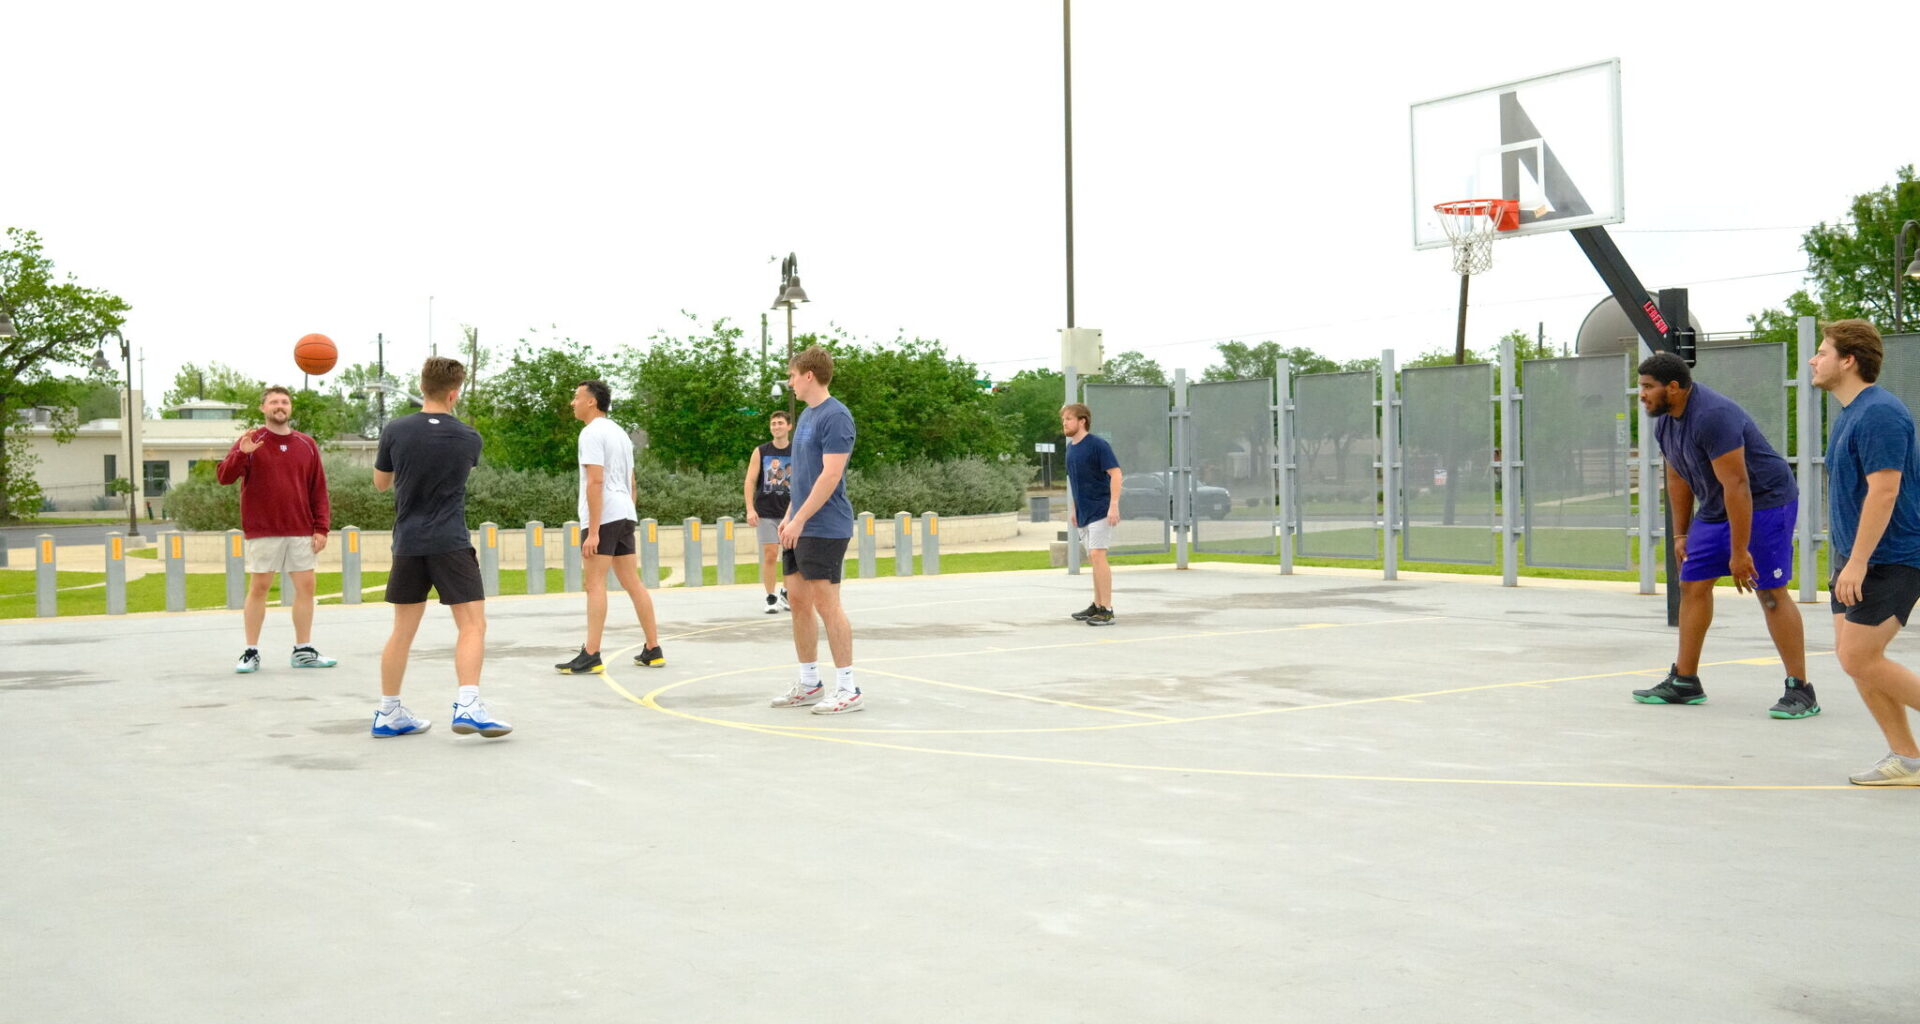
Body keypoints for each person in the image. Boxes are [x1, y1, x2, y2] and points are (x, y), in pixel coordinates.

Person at [1630, 351, 1815, 718]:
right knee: (1692, 584)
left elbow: (1739, 484)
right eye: (1641, 387)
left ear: (1674, 387)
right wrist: (1680, 534)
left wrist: (1740, 550)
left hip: (1764, 502)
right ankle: (1685, 681)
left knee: (1770, 592)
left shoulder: (1713, 416)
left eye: (1648, 387)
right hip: (1717, 508)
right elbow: (1677, 477)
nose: (1642, 394)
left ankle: (1801, 689)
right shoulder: (1665, 422)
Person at [368, 356, 510, 739]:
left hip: (408, 542)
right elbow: (461, 473)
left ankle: (388, 712)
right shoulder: (468, 437)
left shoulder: (395, 430)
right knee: (472, 624)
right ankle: (468, 705)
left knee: (402, 631)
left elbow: (381, 484)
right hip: (449, 540)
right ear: (454, 393)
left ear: (421, 386)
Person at [1808, 319, 1920, 784]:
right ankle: (1908, 758)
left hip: (1891, 557)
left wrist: (1857, 561)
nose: (1814, 361)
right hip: (1853, 559)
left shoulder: (1879, 413)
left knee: (1859, 657)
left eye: (1822, 352)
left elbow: (1885, 491)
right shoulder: (1850, 412)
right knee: (1854, 659)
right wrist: (1847, 560)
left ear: (1848, 360)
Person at [215, 385, 337, 673]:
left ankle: (303, 650)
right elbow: (224, 477)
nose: (279, 406)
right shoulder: (250, 440)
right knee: (259, 587)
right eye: (273, 402)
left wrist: (322, 527)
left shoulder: (306, 444)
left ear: (289, 408)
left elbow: (318, 488)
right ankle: (251, 652)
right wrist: (241, 455)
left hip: (300, 529)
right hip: (263, 529)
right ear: (263, 408)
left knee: (306, 587)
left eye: (284, 402)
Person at [768, 346, 862, 714]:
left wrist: (802, 519)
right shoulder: (806, 416)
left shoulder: (836, 417)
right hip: (801, 523)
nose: (789, 382)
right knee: (799, 603)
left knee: (827, 604)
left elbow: (830, 475)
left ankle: (848, 688)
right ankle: (809, 683)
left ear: (809, 375)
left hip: (825, 526)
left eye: (792, 376)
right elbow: (803, 478)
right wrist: (790, 516)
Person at [555, 380, 664, 674]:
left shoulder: (591, 433)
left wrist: (593, 530)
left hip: (604, 515)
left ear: (591, 402)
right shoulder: (619, 433)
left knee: (594, 584)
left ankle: (591, 653)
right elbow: (632, 482)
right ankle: (653, 648)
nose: (572, 403)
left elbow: (595, 481)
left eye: (576, 397)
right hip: (625, 511)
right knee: (632, 581)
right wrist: (628, 512)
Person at [1061, 402, 1122, 626]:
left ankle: (1107, 609)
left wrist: (1113, 505)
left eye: (1068, 419)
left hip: (1100, 509)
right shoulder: (1071, 449)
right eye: (1063, 420)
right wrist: (1075, 509)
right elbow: (1076, 481)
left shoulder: (1097, 445)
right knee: (1093, 558)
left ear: (1082, 421)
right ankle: (1096, 605)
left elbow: (1115, 474)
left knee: (1098, 555)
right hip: (1084, 512)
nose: (1064, 423)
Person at [742, 409, 793, 615]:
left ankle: (786, 593)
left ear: (788, 426)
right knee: (770, 554)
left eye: (780, 423)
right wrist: (749, 508)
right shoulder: (761, 451)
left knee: (791, 556)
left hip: (790, 512)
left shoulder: (797, 451)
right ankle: (771, 596)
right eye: (773, 424)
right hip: (766, 511)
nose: (776, 427)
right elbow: (750, 481)